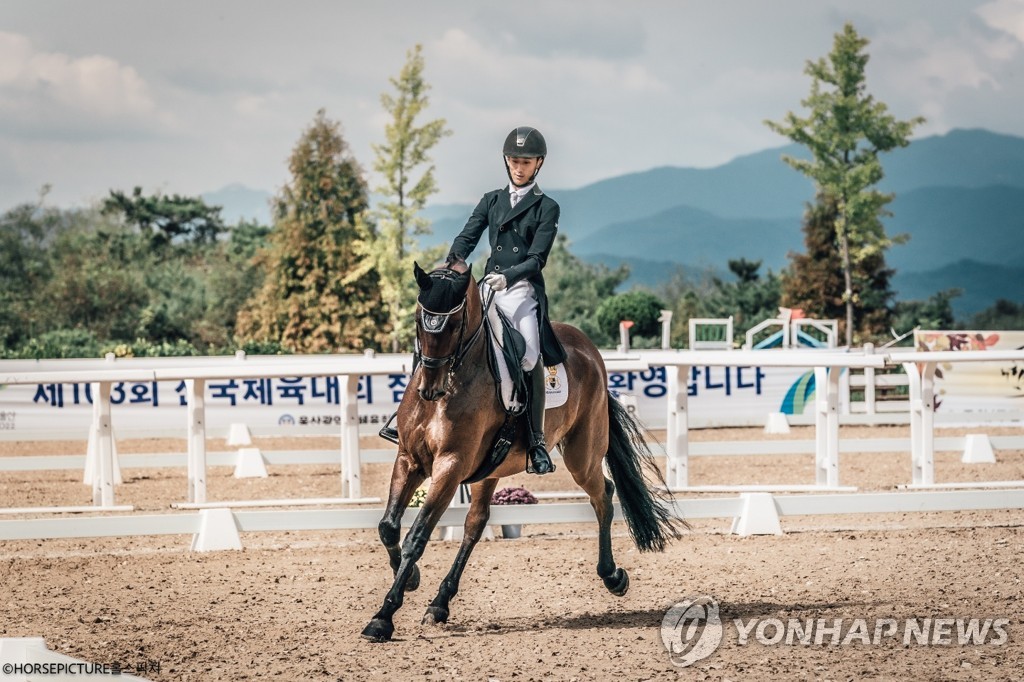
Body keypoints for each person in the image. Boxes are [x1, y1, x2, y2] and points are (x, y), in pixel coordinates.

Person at [380, 126, 565, 475]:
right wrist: (453, 263)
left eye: (525, 162)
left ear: (538, 164)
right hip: (486, 288)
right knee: (441, 333)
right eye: (513, 161)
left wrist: (509, 276)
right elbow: (468, 235)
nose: (518, 167)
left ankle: (537, 440)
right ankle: (408, 415)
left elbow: (537, 258)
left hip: (521, 291)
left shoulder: (546, 207)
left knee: (528, 355)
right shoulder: (491, 200)